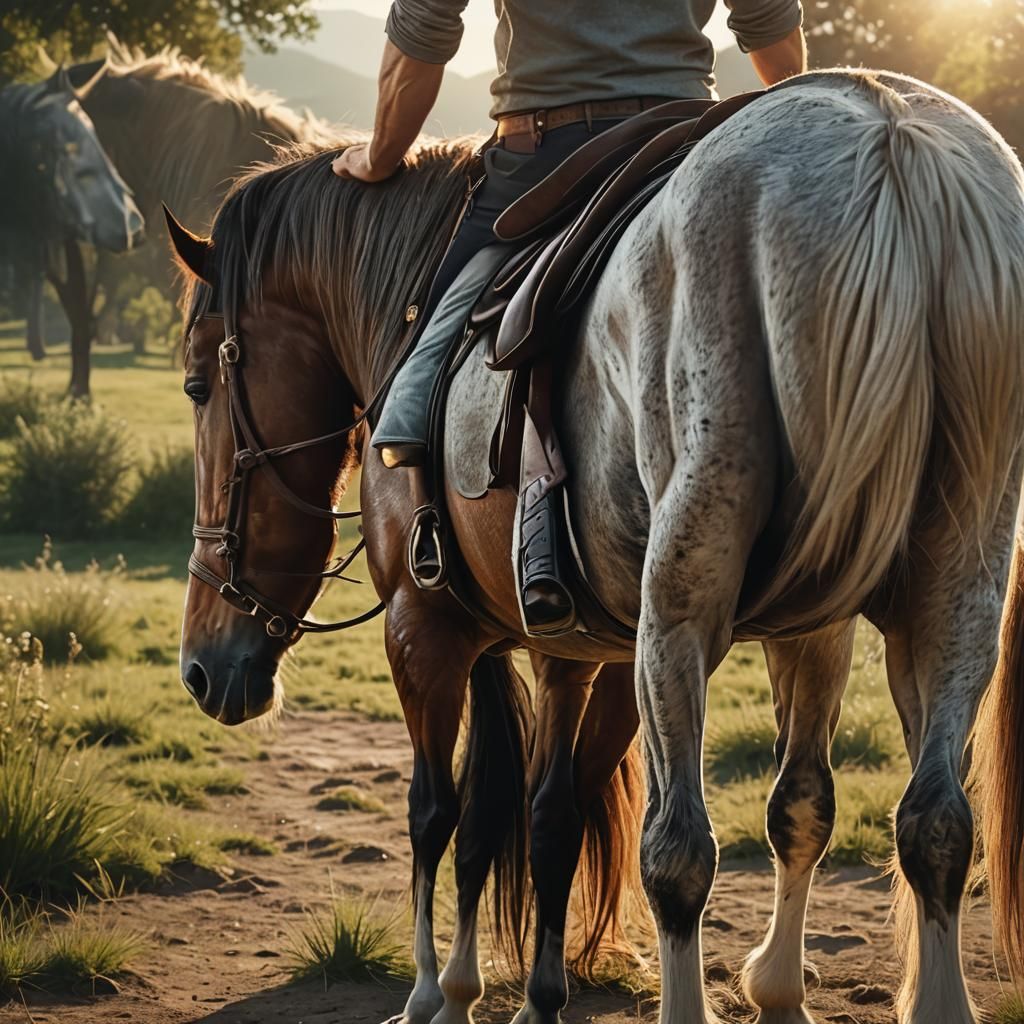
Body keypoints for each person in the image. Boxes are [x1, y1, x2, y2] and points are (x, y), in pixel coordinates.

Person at [334, 0, 808, 634]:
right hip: (692, 145)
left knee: (427, 348)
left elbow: (423, 29)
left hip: (545, 156)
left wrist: (380, 155)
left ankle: (421, 485)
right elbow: (771, 27)